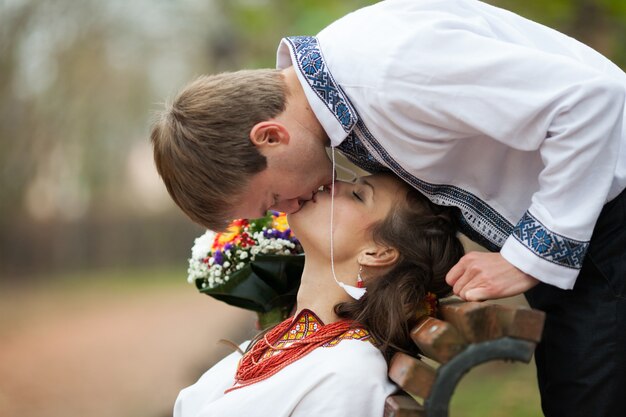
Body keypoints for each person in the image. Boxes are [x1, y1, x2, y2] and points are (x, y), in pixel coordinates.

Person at [150, 1, 626, 415]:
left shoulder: (387, 72)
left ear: (271, 137)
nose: (291, 208)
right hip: (587, 236)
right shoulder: (353, 88)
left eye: (274, 199)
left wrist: (528, 256)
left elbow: (593, 100)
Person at [173, 173, 464, 417]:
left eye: (358, 195)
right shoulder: (290, 340)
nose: (332, 184)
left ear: (377, 253)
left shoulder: (348, 372)